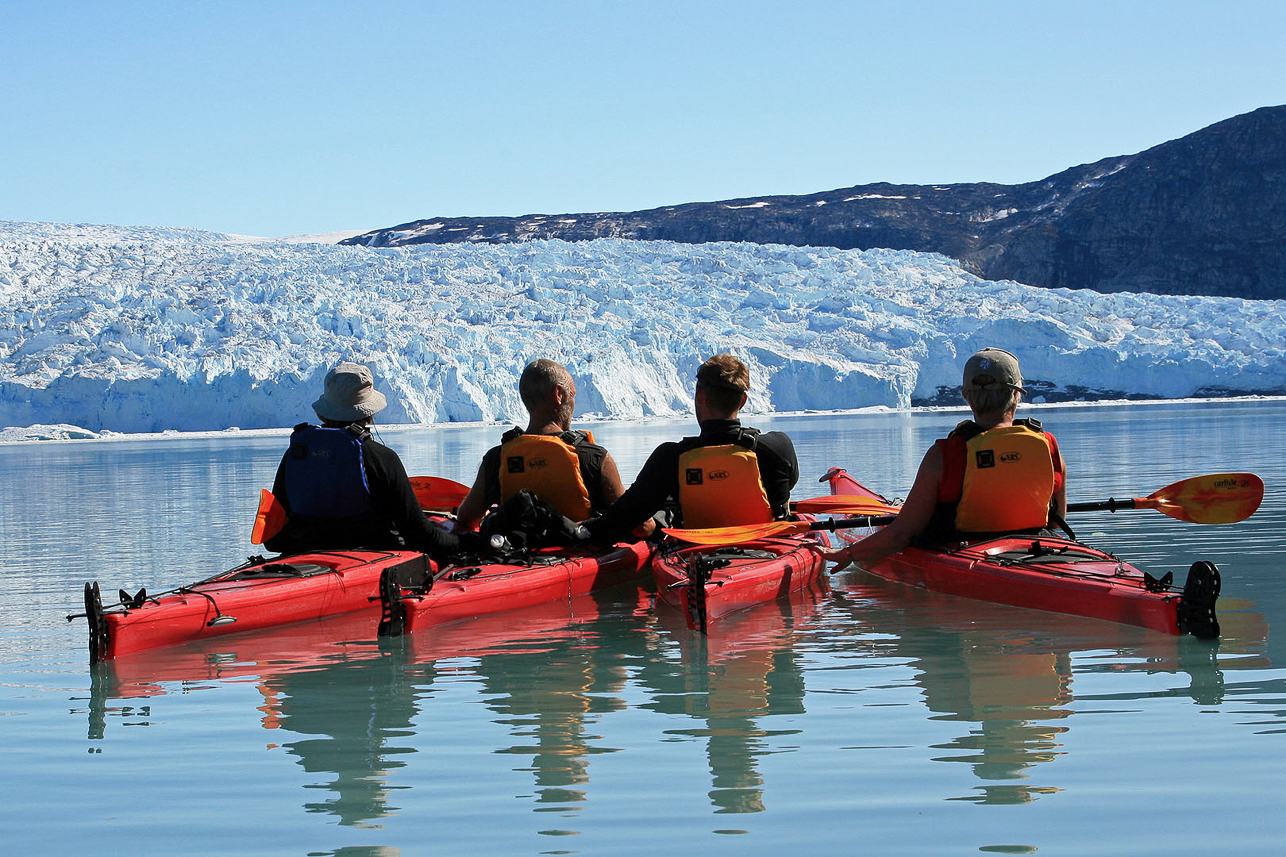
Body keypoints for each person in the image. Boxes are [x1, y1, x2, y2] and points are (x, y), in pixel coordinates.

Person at [813, 347, 1068, 569]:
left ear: (967, 396)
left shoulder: (945, 455)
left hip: (965, 554)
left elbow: (901, 535)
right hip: (1039, 550)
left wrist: (847, 553)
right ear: (1016, 395)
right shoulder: (1048, 447)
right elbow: (1057, 524)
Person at [582, 353, 799, 543]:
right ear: (742, 401)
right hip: (769, 550)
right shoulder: (777, 446)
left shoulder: (670, 458)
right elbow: (789, 485)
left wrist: (577, 530)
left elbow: (620, 519)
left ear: (699, 396)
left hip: (696, 556)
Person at [265, 362, 473, 559]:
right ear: (369, 414)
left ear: (324, 412)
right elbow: (420, 535)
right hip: (372, 560)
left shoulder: (297, 454)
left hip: (304, 554)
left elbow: (274, 537)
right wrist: (467, 542)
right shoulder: (380, 457)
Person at [455, 359, 653, 537]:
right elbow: (640, 527)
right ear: (558, 394)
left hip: (518, 557)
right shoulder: (593, 457)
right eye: (572, 395)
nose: (574, 402)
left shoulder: (497, 458)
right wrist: (657, 521)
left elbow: (467, 519)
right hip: (580, 557)